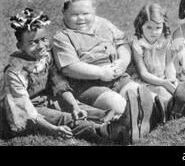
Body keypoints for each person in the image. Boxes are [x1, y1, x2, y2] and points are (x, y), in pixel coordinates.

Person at [52, 0, 164, 141]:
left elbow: (122, 43)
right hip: (87, 86)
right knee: (118, 104)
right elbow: (70, 67)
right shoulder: (62, 37)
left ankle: (157, 110)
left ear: (94, 11)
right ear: (64, 14)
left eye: (85, 14)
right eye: (74, 14)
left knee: (144, 95)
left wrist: (123, 62)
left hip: (117, 77)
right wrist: (100, 72)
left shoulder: (104, 24)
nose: (80, 19)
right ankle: (138, 120)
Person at [0, 8, 127, 143]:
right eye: (32, 43)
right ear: (20, 45)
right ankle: (101, 130)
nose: (41, 46)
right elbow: (25, 109)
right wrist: (53, 129)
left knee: (79, 108)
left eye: (43, 39)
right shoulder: (15, 72)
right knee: (61, 118)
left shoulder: (46, 57)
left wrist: (74, 106)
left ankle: (116, 120)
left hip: (45, 99)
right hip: (22, 111)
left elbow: (58, 83)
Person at [131, 4, 177, 119]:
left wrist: (171, 79)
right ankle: (166, 109)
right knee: (161, 92)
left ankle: (183, 103)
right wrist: (163, 82)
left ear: (163, 26)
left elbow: (169, 64)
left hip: (163, 78)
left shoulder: (164, 41)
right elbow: (143, 73)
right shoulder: (138, 43)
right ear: (141, 26)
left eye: (158, 28)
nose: (154, 32)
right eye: (149, 27)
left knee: (177, 87)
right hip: (148, 81)